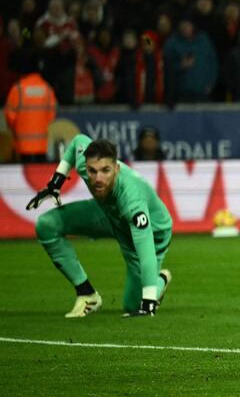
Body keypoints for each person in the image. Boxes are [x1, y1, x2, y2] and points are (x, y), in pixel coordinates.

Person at [26, 135, 172, 317]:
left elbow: (146, 250)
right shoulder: (85, 163)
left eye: (105, 170)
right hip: (109, 214)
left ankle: (159, 280)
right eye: (92, 171)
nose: (98, 179)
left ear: (117, 169)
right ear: (85, 166)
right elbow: (77, 141)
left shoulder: (131, 199)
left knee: (134, 305)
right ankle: (87, 294)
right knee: (47, 225)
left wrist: (149, 301)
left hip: (153, 233)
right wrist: (56, 182)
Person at [3, 58, 57, 162]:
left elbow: (10, 117)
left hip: (22, 147)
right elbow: (51, 116)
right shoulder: (47, 88)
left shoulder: (18, 89)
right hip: (41, 146)